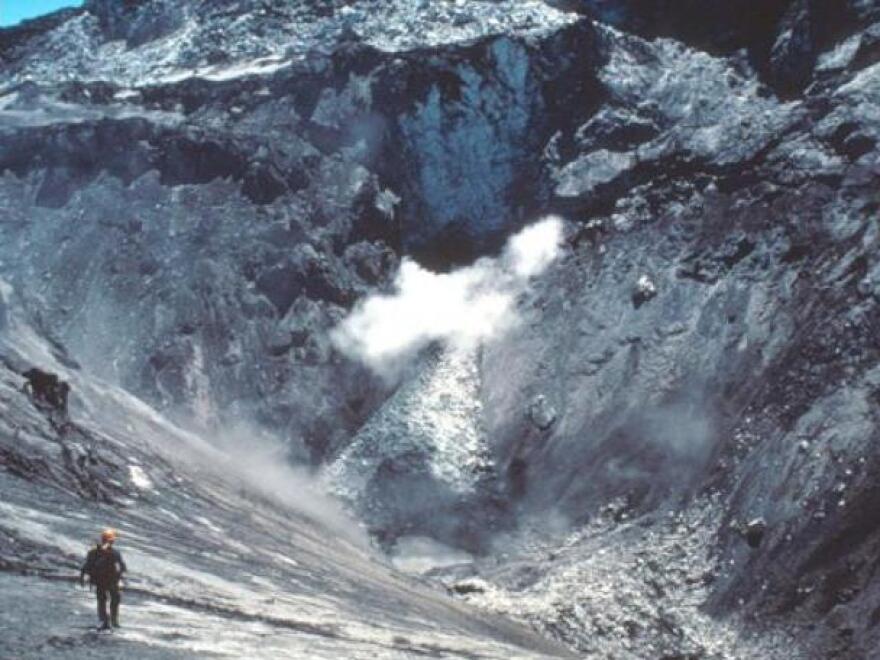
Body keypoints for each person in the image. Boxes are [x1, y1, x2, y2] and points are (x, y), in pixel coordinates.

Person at [80, 528, 127, 630]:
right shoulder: (114, 553)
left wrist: (82, 578)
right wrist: (122, 577)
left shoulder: (93, 552)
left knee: (102, 600)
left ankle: (104, 621)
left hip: (99, 580)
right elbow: (122, 567)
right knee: (115, 599)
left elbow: (86, 566)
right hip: (111, 580)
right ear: (112, 541)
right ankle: (114, 621)